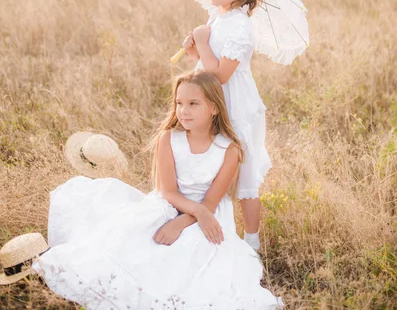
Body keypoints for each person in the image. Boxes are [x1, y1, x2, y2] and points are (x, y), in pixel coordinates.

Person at [33, 70, 282, 309]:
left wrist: (187, 221)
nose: (183, 111)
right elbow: (169, 192)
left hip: (209, 212)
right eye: (179, 103)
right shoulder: (169, 139)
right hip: (168, 205)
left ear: (214, 108)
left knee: (197, 257)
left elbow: (211, 202)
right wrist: (182, 217)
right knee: (132, 242)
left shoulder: (229, 149)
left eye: (193, 104)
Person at [182, 0, 272, 251]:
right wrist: (196, 51)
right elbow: (207, 66)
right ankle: (207, 224)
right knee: (209, 165)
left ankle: (252, 242)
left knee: (243, 174)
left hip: (234, 103)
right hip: (211, 100)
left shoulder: (240, 25)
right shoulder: (218, 18)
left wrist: (205, 44)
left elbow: (220, 74)